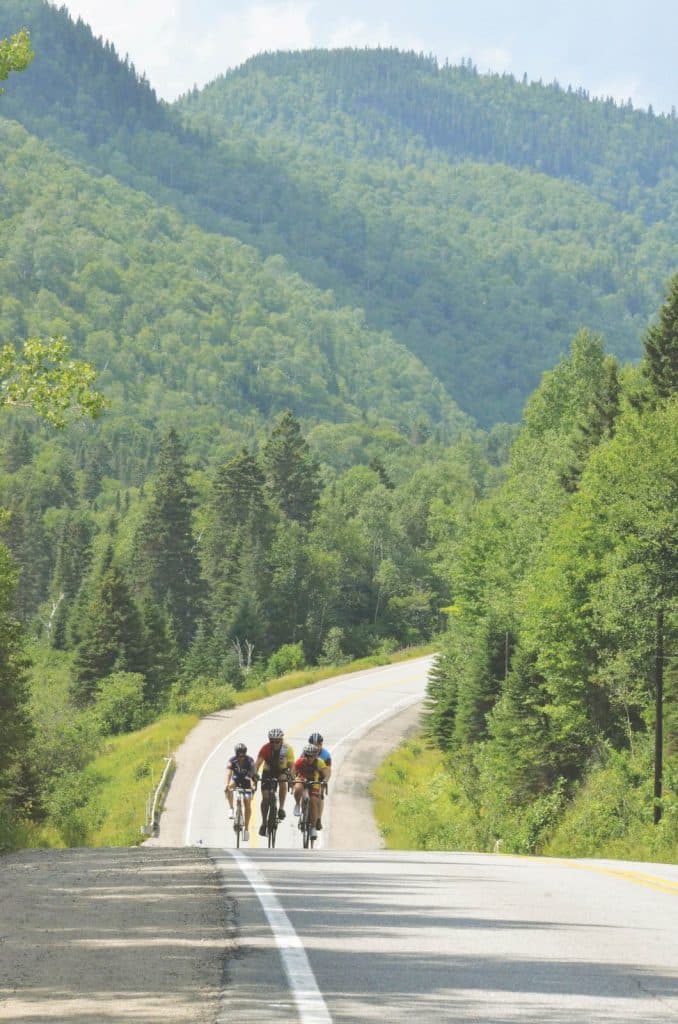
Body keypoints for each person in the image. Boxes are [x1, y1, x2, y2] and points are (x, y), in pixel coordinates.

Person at [254, 727, 295, 837]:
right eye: (272, 741)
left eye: (277, 741)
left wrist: (291, 776)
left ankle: (281, 808)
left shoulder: (287, 749)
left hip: (281, 771)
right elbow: (257, 763)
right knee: (265, 798)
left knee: (282, 780)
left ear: (282, 740)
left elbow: (292, 766)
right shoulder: (265, 748)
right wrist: (255, 774)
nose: (275, 743)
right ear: (269, 741)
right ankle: (263, 823)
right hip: (268, 772)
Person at [292, 743, 328, 840]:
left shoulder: (319, 762)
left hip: (314, 782)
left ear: (315, 756)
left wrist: (325, 780)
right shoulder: (300, 761)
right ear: (305, 755)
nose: (309, 758)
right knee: (298, 788)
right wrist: (292, 778)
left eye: (311, 756)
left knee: (313, 801)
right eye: (307, 755)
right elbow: (293, 771)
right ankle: (297, 804)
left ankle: (313, 827)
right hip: (302, 780)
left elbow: (326, 774)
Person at [224, 742, 256, 842]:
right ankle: (231, 808)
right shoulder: (232, 760)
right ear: (236, 754)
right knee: (228, 787)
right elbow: (228, 773)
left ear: (245, 754)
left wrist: (253, 785)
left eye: (243, 755)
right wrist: (226, 784)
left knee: (247, 802)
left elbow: (252, 775)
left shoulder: (250, 761)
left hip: (247, 781)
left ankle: (246, 829)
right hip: (236, 779)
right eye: (239, 755)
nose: (241, 757)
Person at [308, 731, 331, 830]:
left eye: (318, 745)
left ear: (321, 744)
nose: (316, 747)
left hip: (320, 777)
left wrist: (325, 781)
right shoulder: (305, 751)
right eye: (314, 744)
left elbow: (328, 771)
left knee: (319, 796)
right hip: (309, 775)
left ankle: (318, 819)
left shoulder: (326, 755)